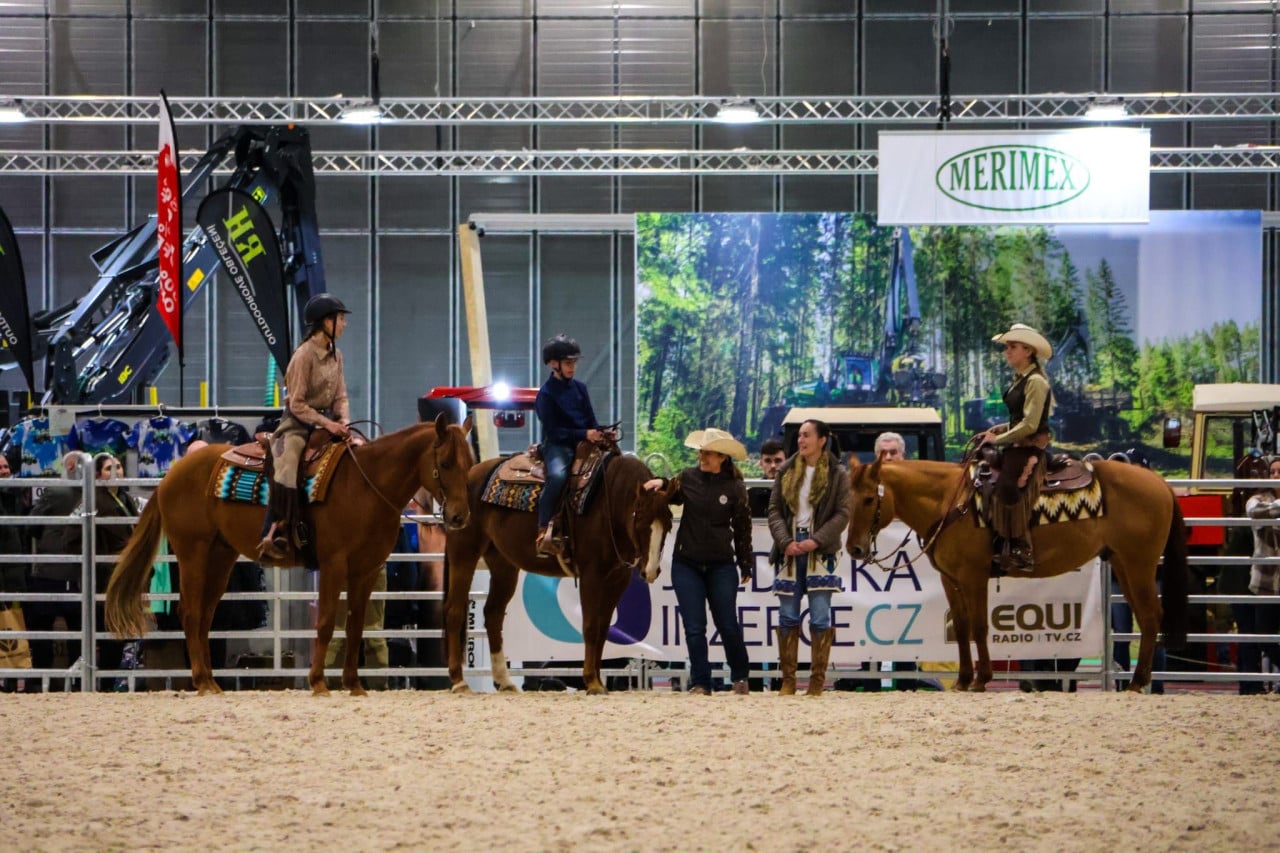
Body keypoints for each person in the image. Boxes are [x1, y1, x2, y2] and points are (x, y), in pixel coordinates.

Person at [644, 428, 753, 695]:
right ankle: (701, 681)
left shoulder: (736, 488)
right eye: (701, 452)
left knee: (727, 622)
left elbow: (742, 528)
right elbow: (670, 489)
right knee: (694, 626)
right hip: (687, 562)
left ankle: (740, 676)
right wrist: (659, 482)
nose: (702, 457)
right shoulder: (688, 478)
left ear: (722, 457)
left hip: (721, 565)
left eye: (708, 453)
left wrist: (745, 562)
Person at [259, 293, 353, 560]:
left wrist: (344, 420)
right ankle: (276, 529)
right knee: (288, 462)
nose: (344, 324)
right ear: (325, 322)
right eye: (340, 319)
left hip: (329, 423)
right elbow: (297, 403)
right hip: (297, 423)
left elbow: (341, 396)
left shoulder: (337, 355)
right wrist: (327, 424)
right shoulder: (303, 355)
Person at [768, 418, 850, 696]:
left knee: (819, 616)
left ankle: (817, 681)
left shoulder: (838, 473)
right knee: (787, 615)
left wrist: (817, 540)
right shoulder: (786, 470)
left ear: (822, 439)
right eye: (800, 435)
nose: (801, 440)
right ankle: (788, 680)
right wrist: (785, 541)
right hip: (790, 548)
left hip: (820, 550)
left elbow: (843, 513)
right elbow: (775, 511)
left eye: (807, 435)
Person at [977, 323, 1055, 575]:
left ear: (1028, 351)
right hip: (1017, 443)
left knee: (1008, 486)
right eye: (1007, 347)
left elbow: (1031, 424)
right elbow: (1018, 419)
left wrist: (997, 440)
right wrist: (999, 430)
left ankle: (1020, 547)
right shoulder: (1022, 380)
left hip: (1029, 447)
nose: (1007, 352)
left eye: (1012, 347)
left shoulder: (1036, 382)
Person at [534, 333, 612, 557]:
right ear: (553, 363)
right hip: (558, 445)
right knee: (558, 476)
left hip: (584, 441)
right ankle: (543, 528)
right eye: (568, 363)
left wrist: (601, 431)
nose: (573, 367)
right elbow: (554, 432)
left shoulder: (580, 388)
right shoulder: (546, 395)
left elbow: (590, 419)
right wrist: (584, 434)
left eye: (574, 363)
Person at [24, 451, 87, 687]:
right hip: (79, 574)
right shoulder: (95, 494)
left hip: (49, 571)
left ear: (69, 466)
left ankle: (40, 682)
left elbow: (32, 524)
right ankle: (80, 683)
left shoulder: (54, 491)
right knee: (79, 634)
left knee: (41, 632)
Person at [1234, 454, 1280, 694]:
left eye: (1279, 472)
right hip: (1266, 581)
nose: (1275, 476)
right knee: (1264, 637)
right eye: (1272, 472)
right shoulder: (1256, 500)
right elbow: (1256, 513)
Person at [748, 438, 786, 518]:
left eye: (778, 461)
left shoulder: (795, 494)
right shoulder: (750, 496)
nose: (773, 466)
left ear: (787, 462)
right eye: (768, 461)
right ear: (761, 463)